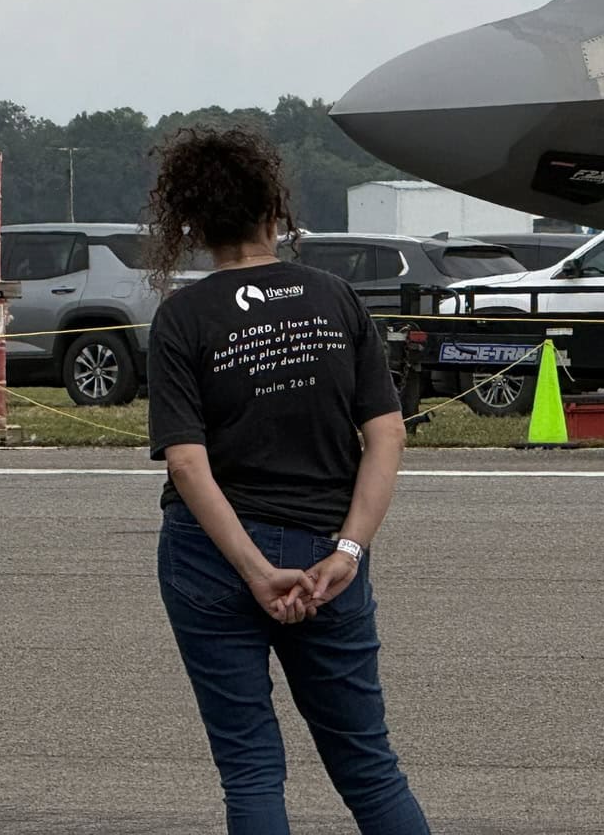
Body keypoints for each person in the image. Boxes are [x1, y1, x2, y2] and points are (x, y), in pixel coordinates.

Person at [144, 125, 429, 835]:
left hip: (213, 559)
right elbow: (386, 432)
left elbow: (187, 460)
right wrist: (348, 553)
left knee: (250, 770)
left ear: (195, 226)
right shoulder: (335, 297)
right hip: (325, 548)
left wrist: (253, 570)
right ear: (276, 213)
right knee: (369, 767)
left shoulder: (183, 317)